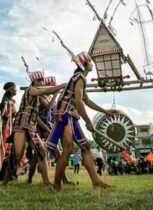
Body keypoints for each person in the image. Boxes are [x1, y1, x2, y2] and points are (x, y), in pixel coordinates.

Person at [48, 51, 119, 191]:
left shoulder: (78, 78)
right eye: (90, 62)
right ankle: (56, 185)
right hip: (66, 114)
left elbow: (86, 101)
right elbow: (79, 102)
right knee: (68, 149)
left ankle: (96, 182)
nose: (92, 64)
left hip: (69, 115)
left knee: (84, 147)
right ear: (85, 64)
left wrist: (105, 112)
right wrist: (88, 122)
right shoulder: (79, 77)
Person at [2, 71, 66, 187]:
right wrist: (60, 86)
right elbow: (45, 90)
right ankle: (5, 181)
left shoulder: (38, 95)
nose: (42, 82)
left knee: (42, 152)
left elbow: (48, 106)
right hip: (21, 125)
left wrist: (56, 93)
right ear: (34, 82)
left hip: (31, 127)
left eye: (42, 80)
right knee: (17, 155)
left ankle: (47, 182)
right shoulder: (31, 90)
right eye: (40, 81)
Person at [0, 82, 17, 182]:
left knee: (11, 150)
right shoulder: (7, 102)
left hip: (12, 126)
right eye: (14, 89)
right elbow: (5, 115)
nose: (16, 90)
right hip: (6, 128)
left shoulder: (12, 101)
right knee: (3, 149)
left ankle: (9, 174)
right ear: (9, 90)